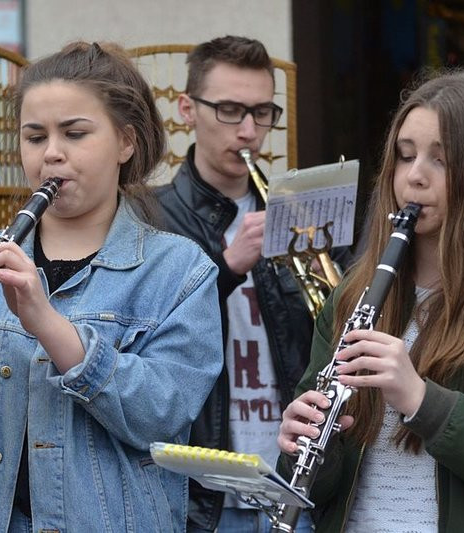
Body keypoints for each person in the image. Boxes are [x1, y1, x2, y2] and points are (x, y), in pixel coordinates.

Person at [0, 41, 223, 532]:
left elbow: (162, 415)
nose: (52, 153)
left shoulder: (180, 271)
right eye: (35, 137)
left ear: (126, 142)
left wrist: (47, 324)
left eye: (75, 133)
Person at [277, 70, 464, 532]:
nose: (414, 177)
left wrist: (420, 399)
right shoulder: (351, 301)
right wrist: (307, 445)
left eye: (442, 159)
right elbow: (315, 491)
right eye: (405, 155)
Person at [154, 35, 331, 532]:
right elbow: (144, 338)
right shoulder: (152, 215)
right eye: (230, 110)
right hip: (205, 489)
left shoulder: (298, 216)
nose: (249, 131)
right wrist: (227, 268)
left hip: (294, 479)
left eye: (262, 113)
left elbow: (330, 335)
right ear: (188, 108)